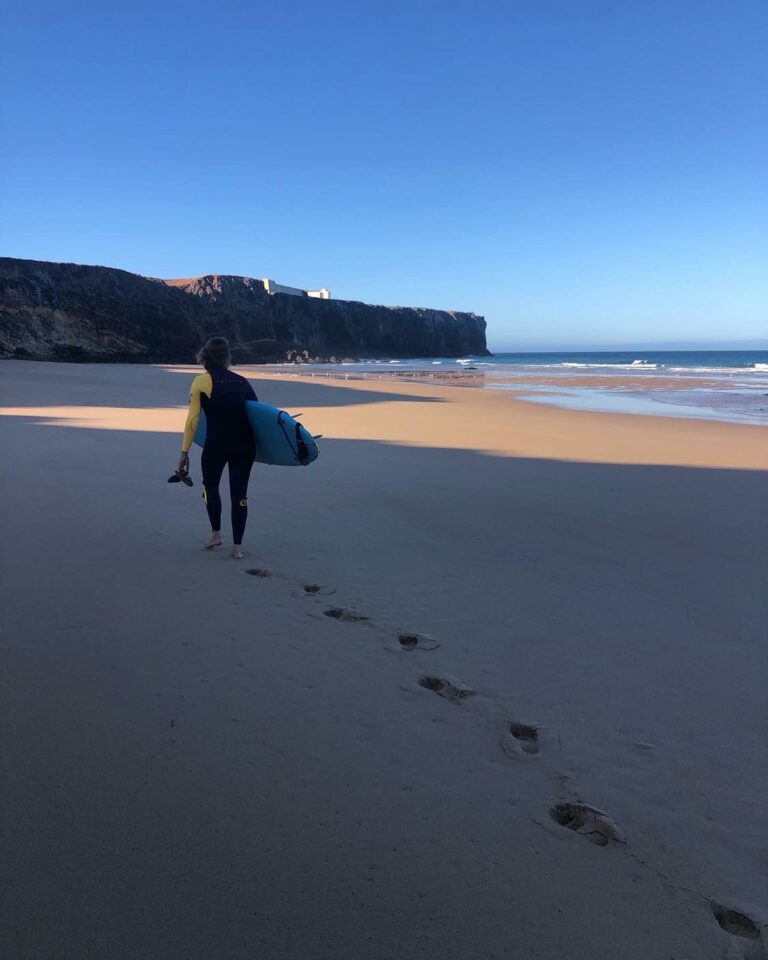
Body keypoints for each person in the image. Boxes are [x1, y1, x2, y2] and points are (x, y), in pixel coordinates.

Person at [178, 337, 257, 559]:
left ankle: (216, 534)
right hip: (244, 446)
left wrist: (184, 452)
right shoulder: (242, 382)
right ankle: (238, 548)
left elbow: (193, 420)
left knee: (210, 487)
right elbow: (257, 416)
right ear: (227, 357)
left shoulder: (201, 381)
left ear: (205, 357)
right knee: (240, 494)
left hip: (216, 444)